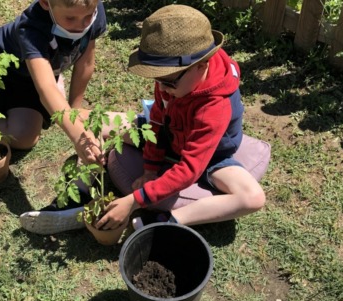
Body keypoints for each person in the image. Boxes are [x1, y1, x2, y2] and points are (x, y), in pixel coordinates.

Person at [20, 4, 266, 235]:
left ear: (202, 66)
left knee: (253, 197)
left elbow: (191, 168)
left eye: (168, 81)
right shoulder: (174, 79)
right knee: (96, 122)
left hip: (210, 157)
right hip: (171, 136)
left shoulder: (215, 107)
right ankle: (79, 196)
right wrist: (150, 168)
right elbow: (158, 120)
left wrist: (134, 201)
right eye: (157, 79)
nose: (162, 87)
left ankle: (168, 221)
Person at [0, 0, 107, 166]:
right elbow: (46, 87)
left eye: (88, 16)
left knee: (25, 138)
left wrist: (74, 111)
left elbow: (85, 63)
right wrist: (79, 135)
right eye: (70, 19)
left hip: (27, 77)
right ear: (45, 3)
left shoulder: (92, 9)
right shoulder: (31, 28)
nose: (82, 25)